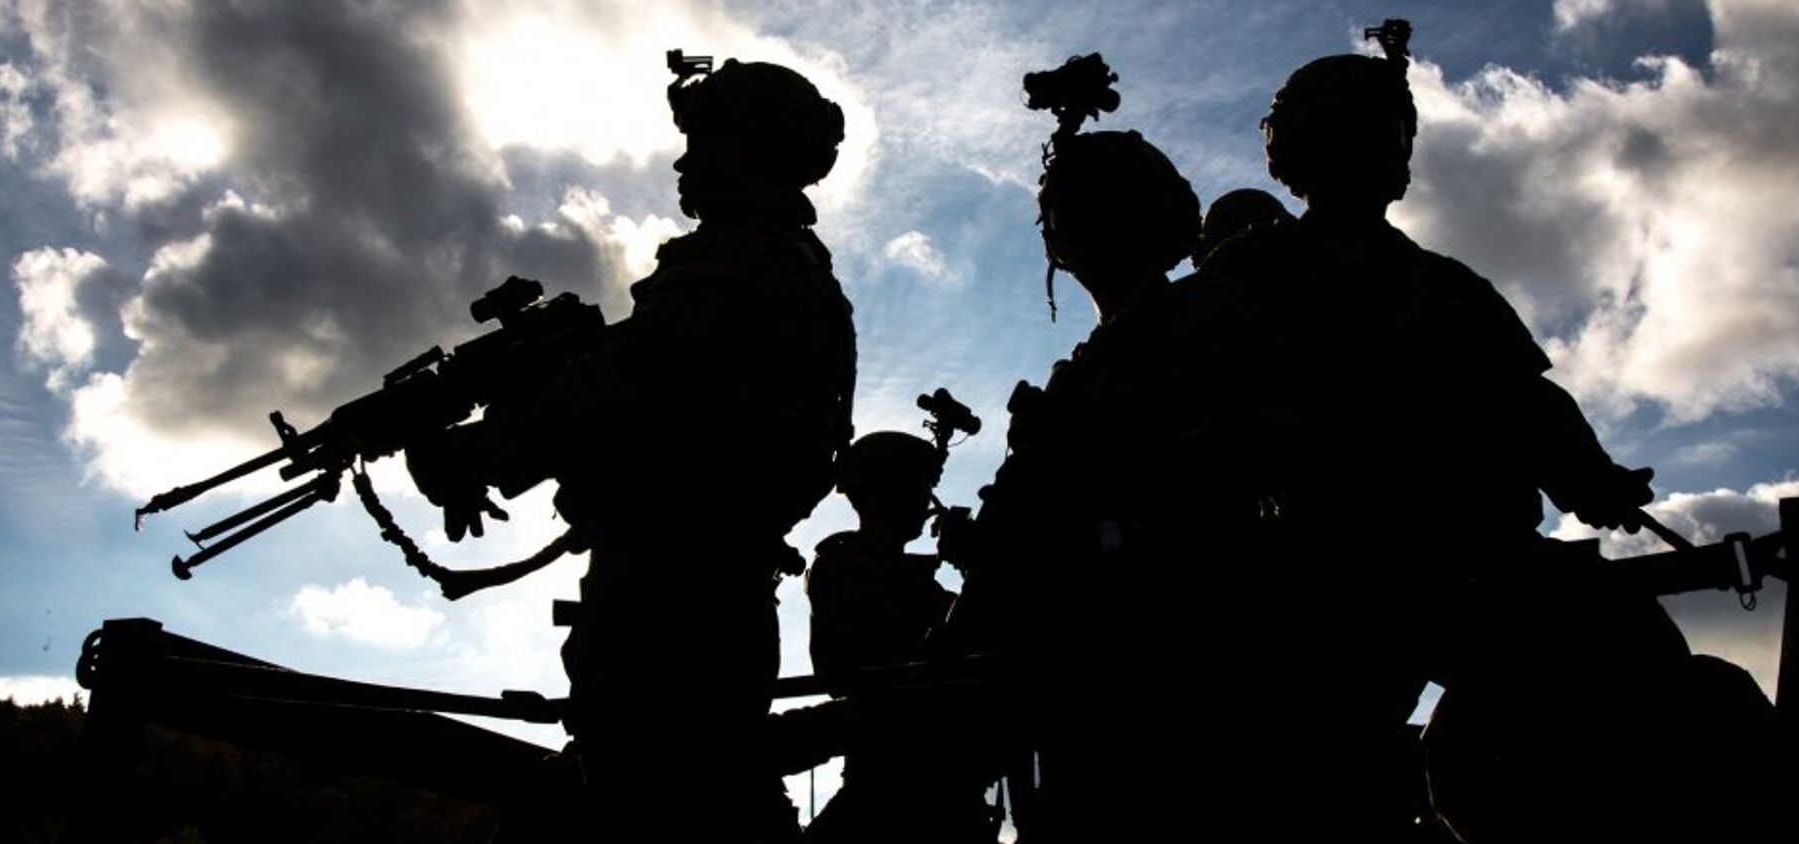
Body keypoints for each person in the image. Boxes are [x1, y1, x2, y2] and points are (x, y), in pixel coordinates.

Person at [1204, 21, 1769, 841]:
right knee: (1316, 762)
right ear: (1303, 150)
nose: (1387, 152)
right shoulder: (1247, 279)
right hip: (1324, 567)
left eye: (1396, 137)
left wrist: (1591, 475)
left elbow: (1531, 400)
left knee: (1635, 651)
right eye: (1364, 133)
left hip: (1481, 558)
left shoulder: (1449, 288)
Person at [407, 55, 856, 844]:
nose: (685, 161)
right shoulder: (784, 269)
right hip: (705, 586)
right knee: (705, 795)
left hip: (673, 594)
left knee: (660, 799)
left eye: (706, 139)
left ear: (754, 145)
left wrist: (473, 452)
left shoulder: (735, 266)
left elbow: (621, 389)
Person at [944, 126, 1286, 844]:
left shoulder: (1206, 311)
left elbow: (1239, 450)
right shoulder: (1081, 368)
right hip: (1077, 662)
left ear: (1151, 215)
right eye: (1061, 208)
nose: (1069, 224)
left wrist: (1083, 502)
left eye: (1096, 203)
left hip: (1180, 653)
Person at [801, 431, 995, 844]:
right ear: (885, 493)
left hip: (926, 771)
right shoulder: (848, 567)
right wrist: (980, 574)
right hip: (896, 774)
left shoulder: (901, 576)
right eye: (917, 487)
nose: (926, 503)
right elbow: (908, 671)